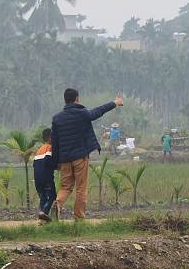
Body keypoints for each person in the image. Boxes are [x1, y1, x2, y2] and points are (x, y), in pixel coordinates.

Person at [51, 88, 123, 220]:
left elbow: (54, 143)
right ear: (77, 99)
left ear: (65, 100)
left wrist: (56, 162)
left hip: (65, 159)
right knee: (81, 188)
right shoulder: (82, 113)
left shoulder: (57, 118)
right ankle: (79, 218)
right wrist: (115, 103)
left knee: (66, 187)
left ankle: (58, 204)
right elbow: (97, 111)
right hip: (80, 157)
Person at [33, 128, 57, 222]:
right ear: (50, 138)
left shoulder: (39, 150)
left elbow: (35, 164)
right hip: (46, 178)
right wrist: (56, 166)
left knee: (43, 197)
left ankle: (42, 221)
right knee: (52, 196)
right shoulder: (49, 148)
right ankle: (43, 212)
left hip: (37, 179)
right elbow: (48, 161)